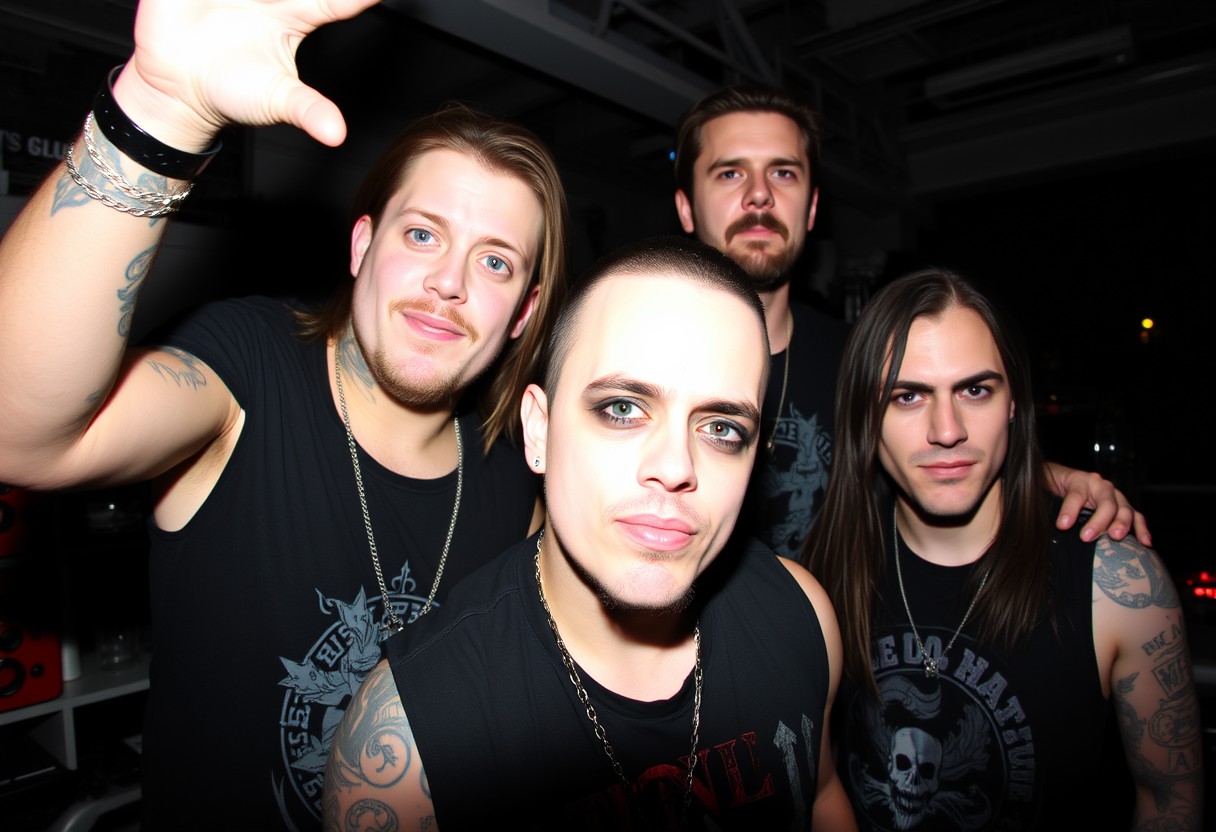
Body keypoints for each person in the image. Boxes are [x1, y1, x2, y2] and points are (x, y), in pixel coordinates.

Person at [0, 0, 567, 828]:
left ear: (524, 313)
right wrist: (156, 113)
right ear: (362, 246)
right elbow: (21, 435)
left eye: (495, 262)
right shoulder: (249, 372)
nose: (449, 282)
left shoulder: (519, 476)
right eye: (422, 235)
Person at [322, 236, 856, 830]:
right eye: (623, 408)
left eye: (722, 428)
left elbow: (822, 794)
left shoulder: (802, 615)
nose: (675, 467)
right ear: (539, 430)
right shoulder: (409, 737)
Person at [670, 84, 1150, 558]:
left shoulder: (864, 360)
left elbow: (948, 443)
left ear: (812, 208)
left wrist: (1053, 478)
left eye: (783, 173)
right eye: (730, 173)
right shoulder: (637, 358)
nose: (759, 194)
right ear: (686, 209)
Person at [802, 268, 1203, 830]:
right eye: (908, 396)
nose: (948, 430)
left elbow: (1170, 802)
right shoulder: (826, 570)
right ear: (866, 417)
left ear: (1013, 403)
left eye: (975, 391)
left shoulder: (1119, 583)